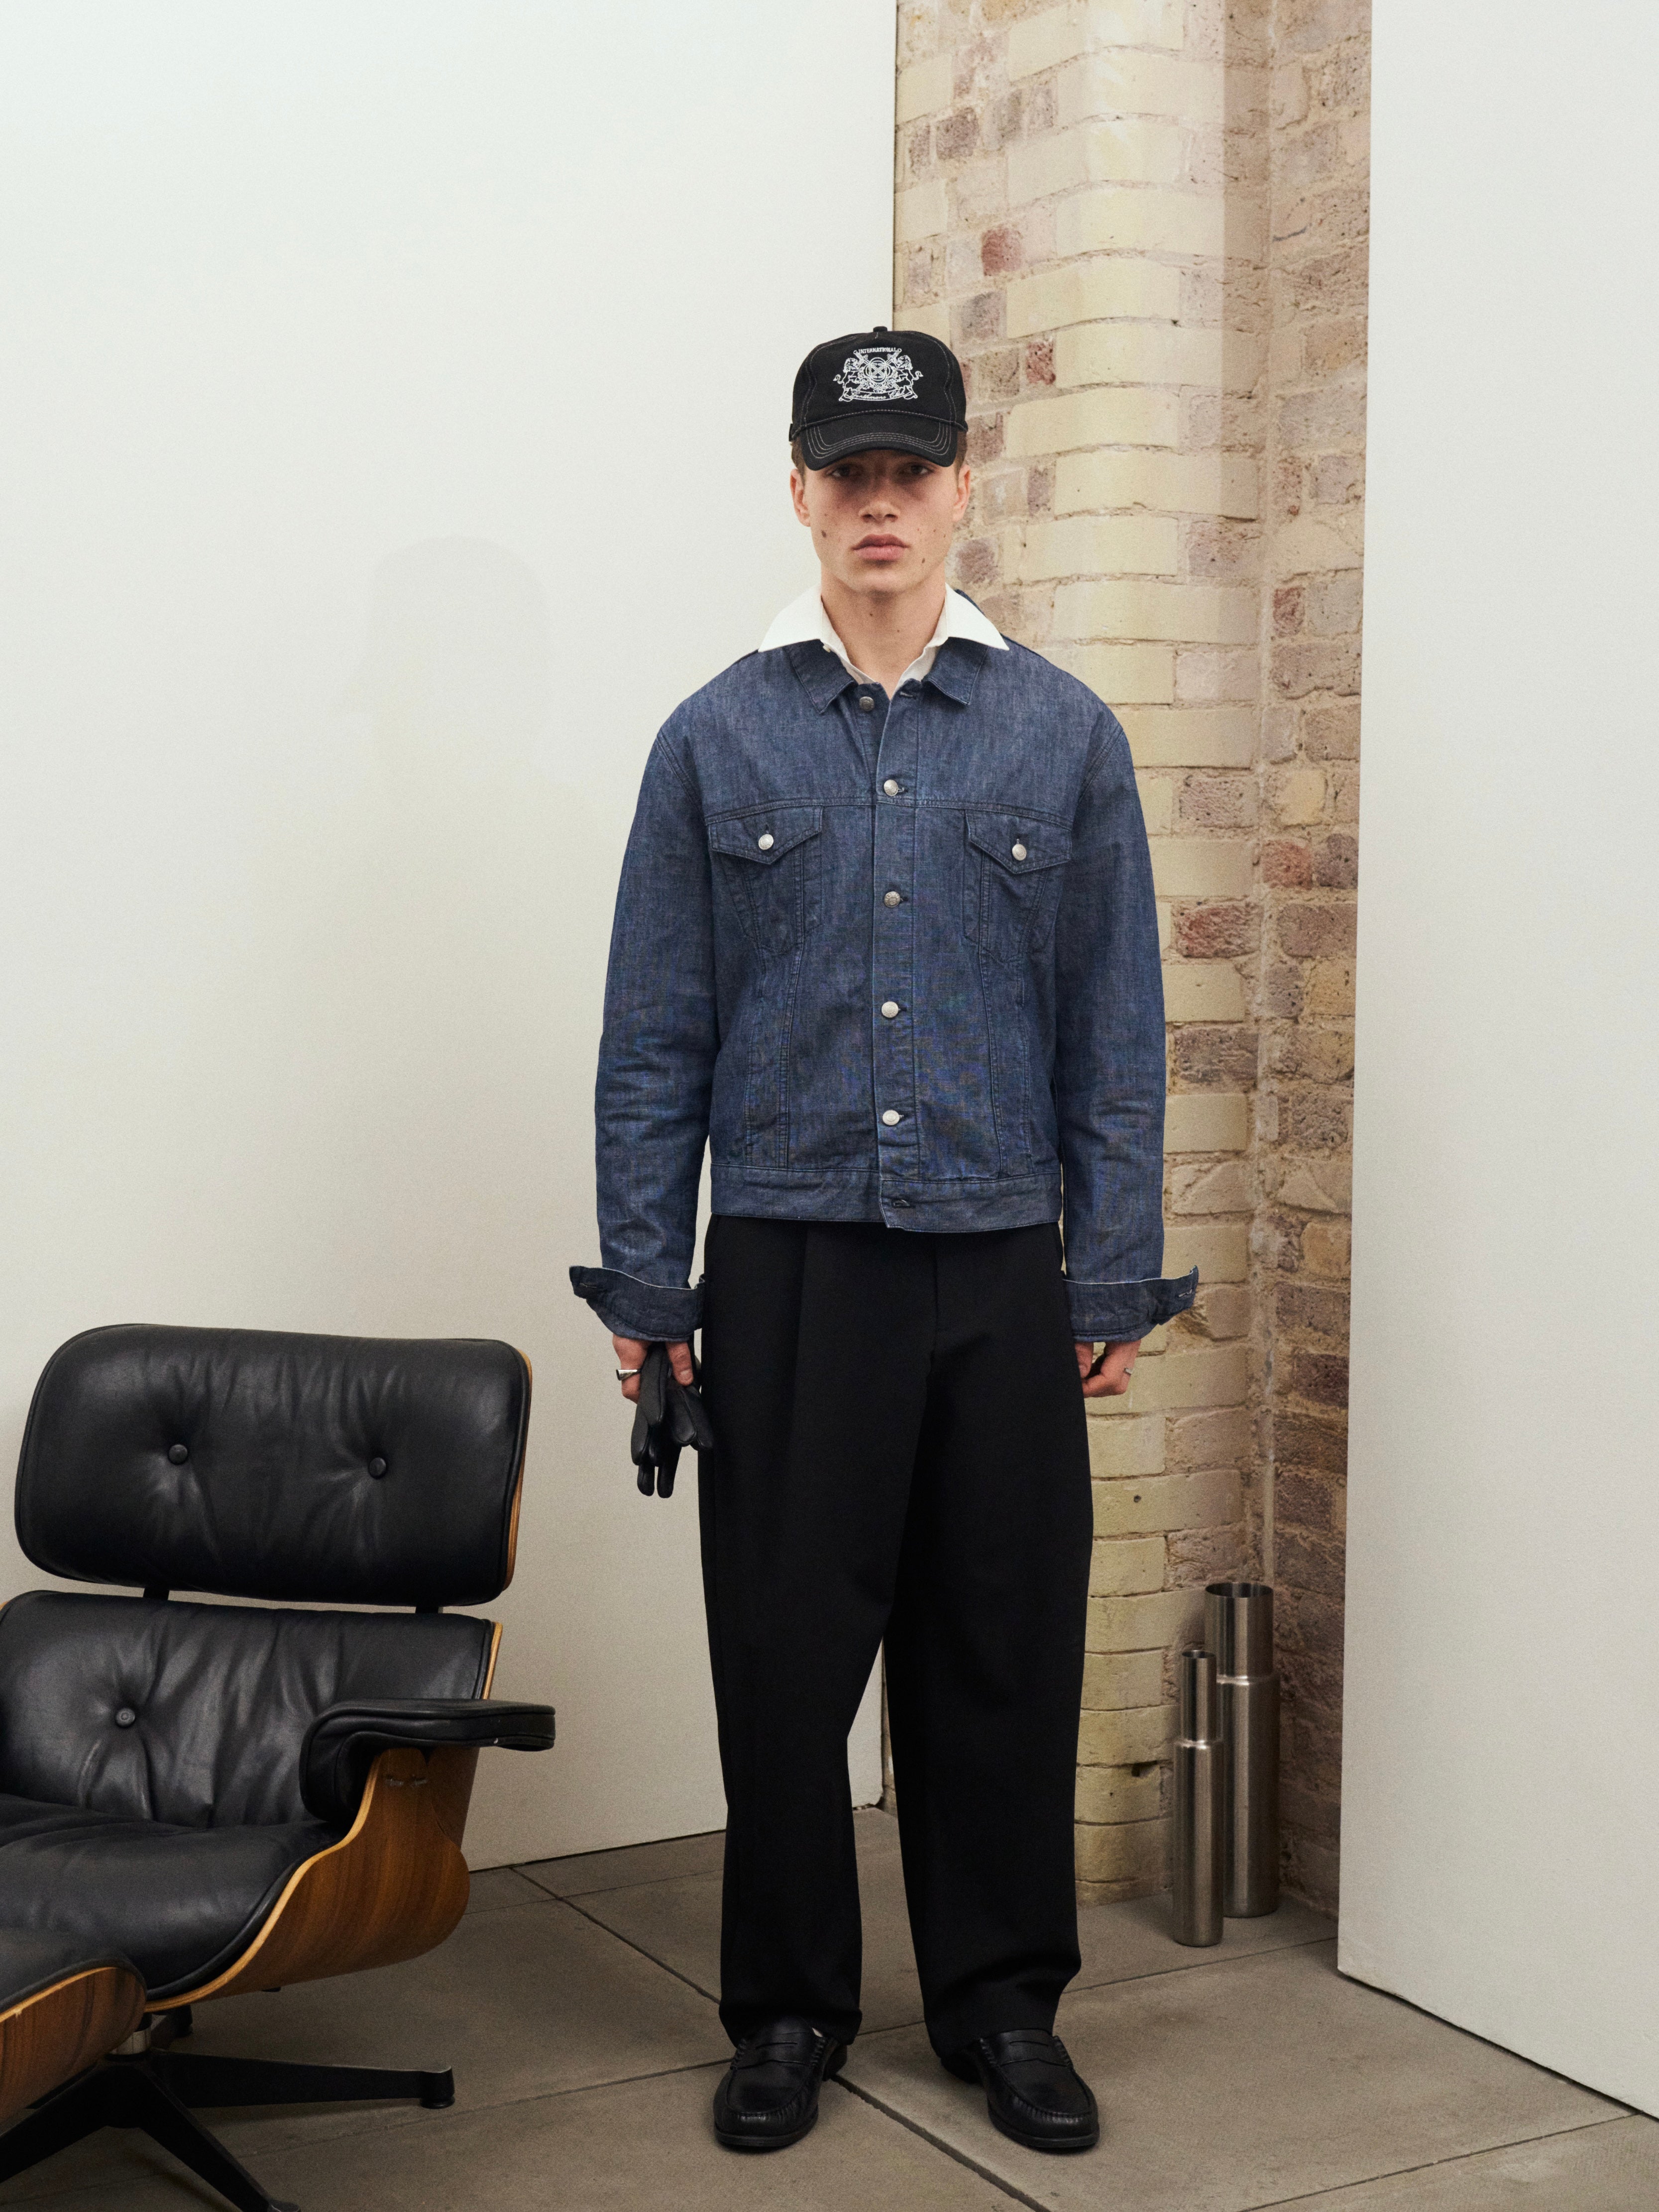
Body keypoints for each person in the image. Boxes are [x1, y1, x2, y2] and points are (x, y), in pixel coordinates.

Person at [571, 326, 1195, 2157]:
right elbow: (654, 1035)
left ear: (961, 487)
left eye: (911, 471)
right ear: (798, 491)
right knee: (783, 1658)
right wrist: (649, 1283)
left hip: (1000, 1263)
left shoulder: (1064, 735)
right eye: (847, 473)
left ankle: (1003, 2004)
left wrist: (1108, 1268)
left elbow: (1115, 1033)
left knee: (998, 1647)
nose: (880, 503)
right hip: (787, 1265)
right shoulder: (715, 737)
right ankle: (785, 2010)